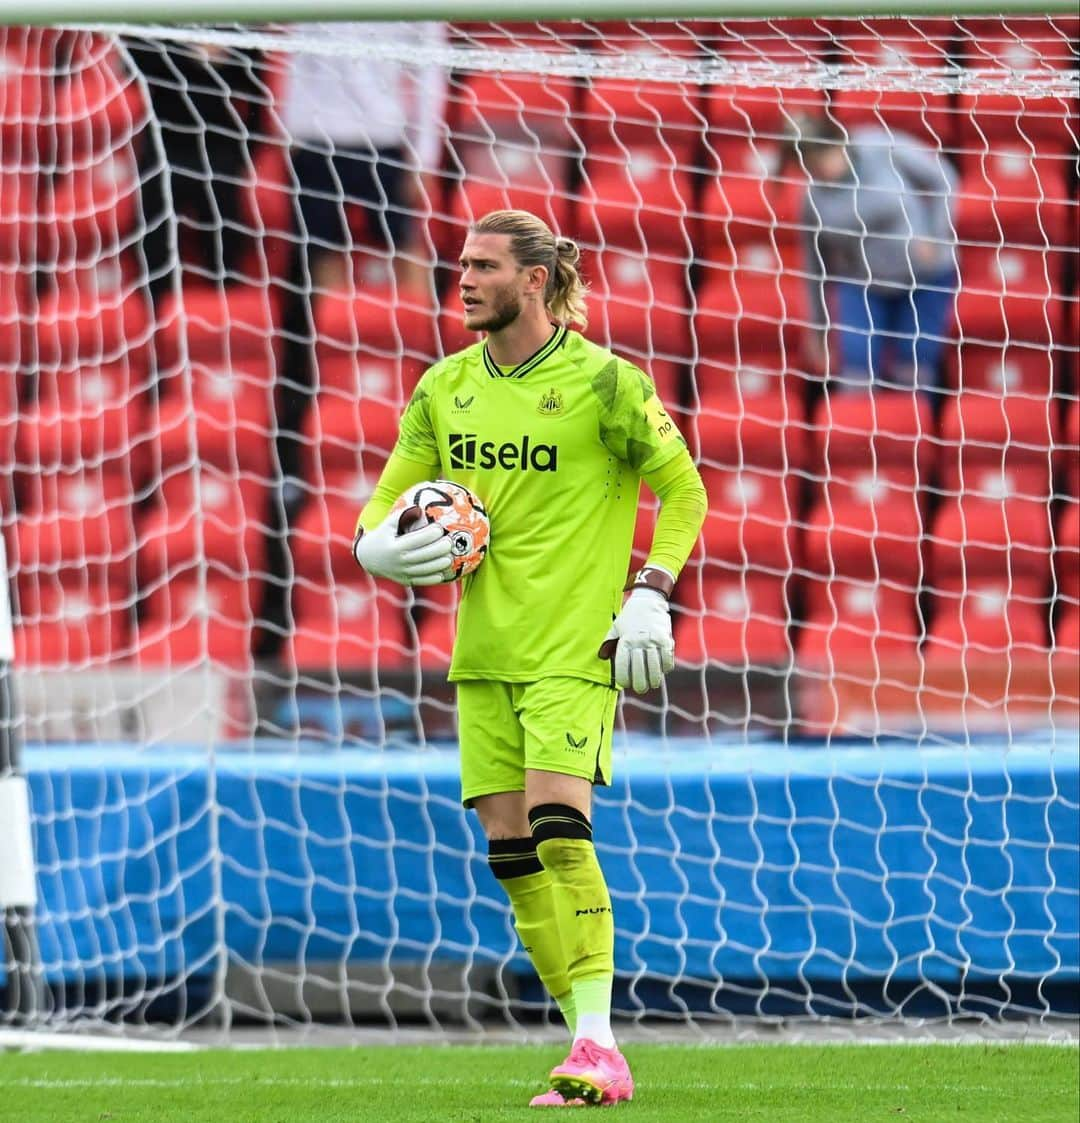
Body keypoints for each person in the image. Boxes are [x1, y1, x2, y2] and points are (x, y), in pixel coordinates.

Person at [350, 210, 707, 1107]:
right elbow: (381, 507)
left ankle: (592, 1040)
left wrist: (651, 588)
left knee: (558, 826)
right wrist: (374, 550)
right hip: (483, 654)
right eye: (461, 264)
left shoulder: (604, 383)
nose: (463, 279)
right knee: (510, 854)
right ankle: (593, 1043)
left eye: (483, 266)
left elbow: (685, 489)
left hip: (574, 649)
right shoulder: (444, 387)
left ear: (536, 279)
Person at [790, 115, 958, 395]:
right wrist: (817, 330)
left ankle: (913, 430)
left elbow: (944, 178)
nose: (823, 170)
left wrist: (935, 235)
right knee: (856, 367)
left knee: (915, 365)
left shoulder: (880, 147)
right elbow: (814, 269)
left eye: (824, 159)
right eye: (812, 167)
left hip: (923, 277)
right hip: (863, 284)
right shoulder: (812, 200)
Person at [126, 36, 265, 303]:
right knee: (154, 235)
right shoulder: (160, 21)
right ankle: (156, 316)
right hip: (165, 145)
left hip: (219, 146)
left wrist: (246, 150)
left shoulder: (232, 23)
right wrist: (189, 50)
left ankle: (224, 312)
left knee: (224, 237)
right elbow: (134, 63)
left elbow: (255, 85)